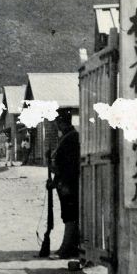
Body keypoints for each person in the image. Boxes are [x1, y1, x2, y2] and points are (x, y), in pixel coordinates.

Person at [49, 110, 81, 264]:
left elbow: (67, 165)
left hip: (69, 183)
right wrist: (54, 182)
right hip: (64, 183)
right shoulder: (68, 137)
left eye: (58, 123)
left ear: (62, 122)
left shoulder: (71, 138)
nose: (57, 126)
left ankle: (67, 248)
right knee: (67, 214)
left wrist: (60, 181)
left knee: (70, 215)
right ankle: (69, 246)